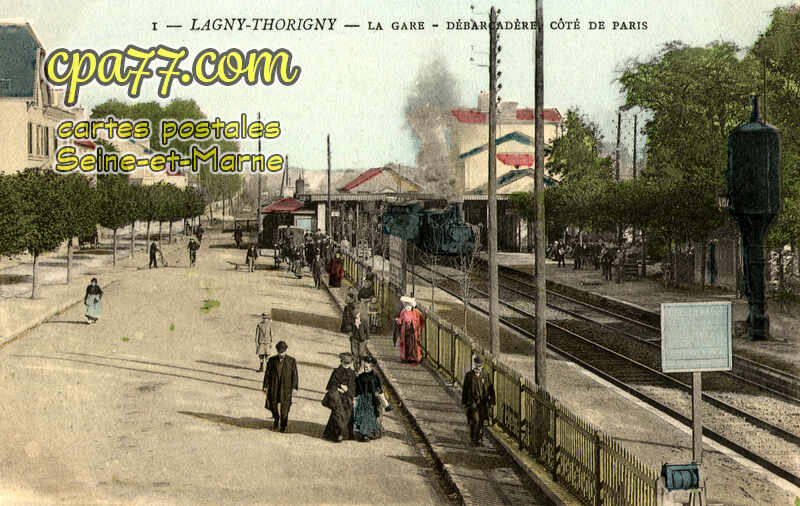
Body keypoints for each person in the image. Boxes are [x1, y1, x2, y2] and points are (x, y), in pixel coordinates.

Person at [262, 341, 298, 432]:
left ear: (286, 351)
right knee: (273, 405)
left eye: (282, 352)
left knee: (285, 408)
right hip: (274, 387)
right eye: (279, 352)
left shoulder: (292, 361)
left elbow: (295, 375)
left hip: (286, 388)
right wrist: (265, 386)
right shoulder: (271, 360)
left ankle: (283, 425)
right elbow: (267, 374)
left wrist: (294, 387)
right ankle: (276, 419)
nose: (280, 354)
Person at [461, 355, 495, 446]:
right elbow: (464, 389)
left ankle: (478, 438)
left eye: (480, 366)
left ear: (482, 366)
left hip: (483, 402)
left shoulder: (486, 375)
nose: (478, 368)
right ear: (474, 364)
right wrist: (464, 403)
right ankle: (474, 439)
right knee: (475, 419)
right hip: (472, 402)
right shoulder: (469, 375)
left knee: (481, 421)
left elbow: (491, 388)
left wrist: (492, 400)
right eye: (476, 365)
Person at [323, 353, 357, 442]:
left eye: (348, 363)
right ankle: (338, 434)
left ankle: (347, 433)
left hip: (348, 397)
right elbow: (331, 385)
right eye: (345, 363)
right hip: (337, 397)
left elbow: (353, 387)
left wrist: (347, 391)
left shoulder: (352, 373)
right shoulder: (336, 371)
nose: (346, 365)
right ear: (341, 362)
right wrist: (339, 388)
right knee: (337, 414)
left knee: (348, 414)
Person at [353, 356, 385, 442]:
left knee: (371, 416)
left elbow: (379, 388)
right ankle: (364, 434)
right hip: (363, 399)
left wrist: (382, 399)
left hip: (372, 399)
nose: (365, 368)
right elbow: (357, 389)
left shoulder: (375, 377)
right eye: (364, 367)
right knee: (363, 415)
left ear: (372, 367)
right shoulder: (360, 377)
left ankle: (369, 433)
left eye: (367, 367)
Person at [393, 296, 425, 365]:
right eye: (406, 304)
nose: (407, 306)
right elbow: (400, 320)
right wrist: (397, 320)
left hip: (413, 330)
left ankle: (414, 358)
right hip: (405, 330)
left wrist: (419, 326)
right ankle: (407, 358)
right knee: (407, 344)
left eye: (408, 304)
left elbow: (422, 319)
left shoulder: (416, 312)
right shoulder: (403, 312)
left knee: (413, 344)